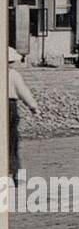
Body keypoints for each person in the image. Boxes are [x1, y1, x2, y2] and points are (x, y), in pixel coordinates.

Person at [8, 48, 40, 180]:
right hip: (9, 106)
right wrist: (33, 107)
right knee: (11, 139)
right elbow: (23, 92)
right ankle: (13, 171)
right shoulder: (13, 74)